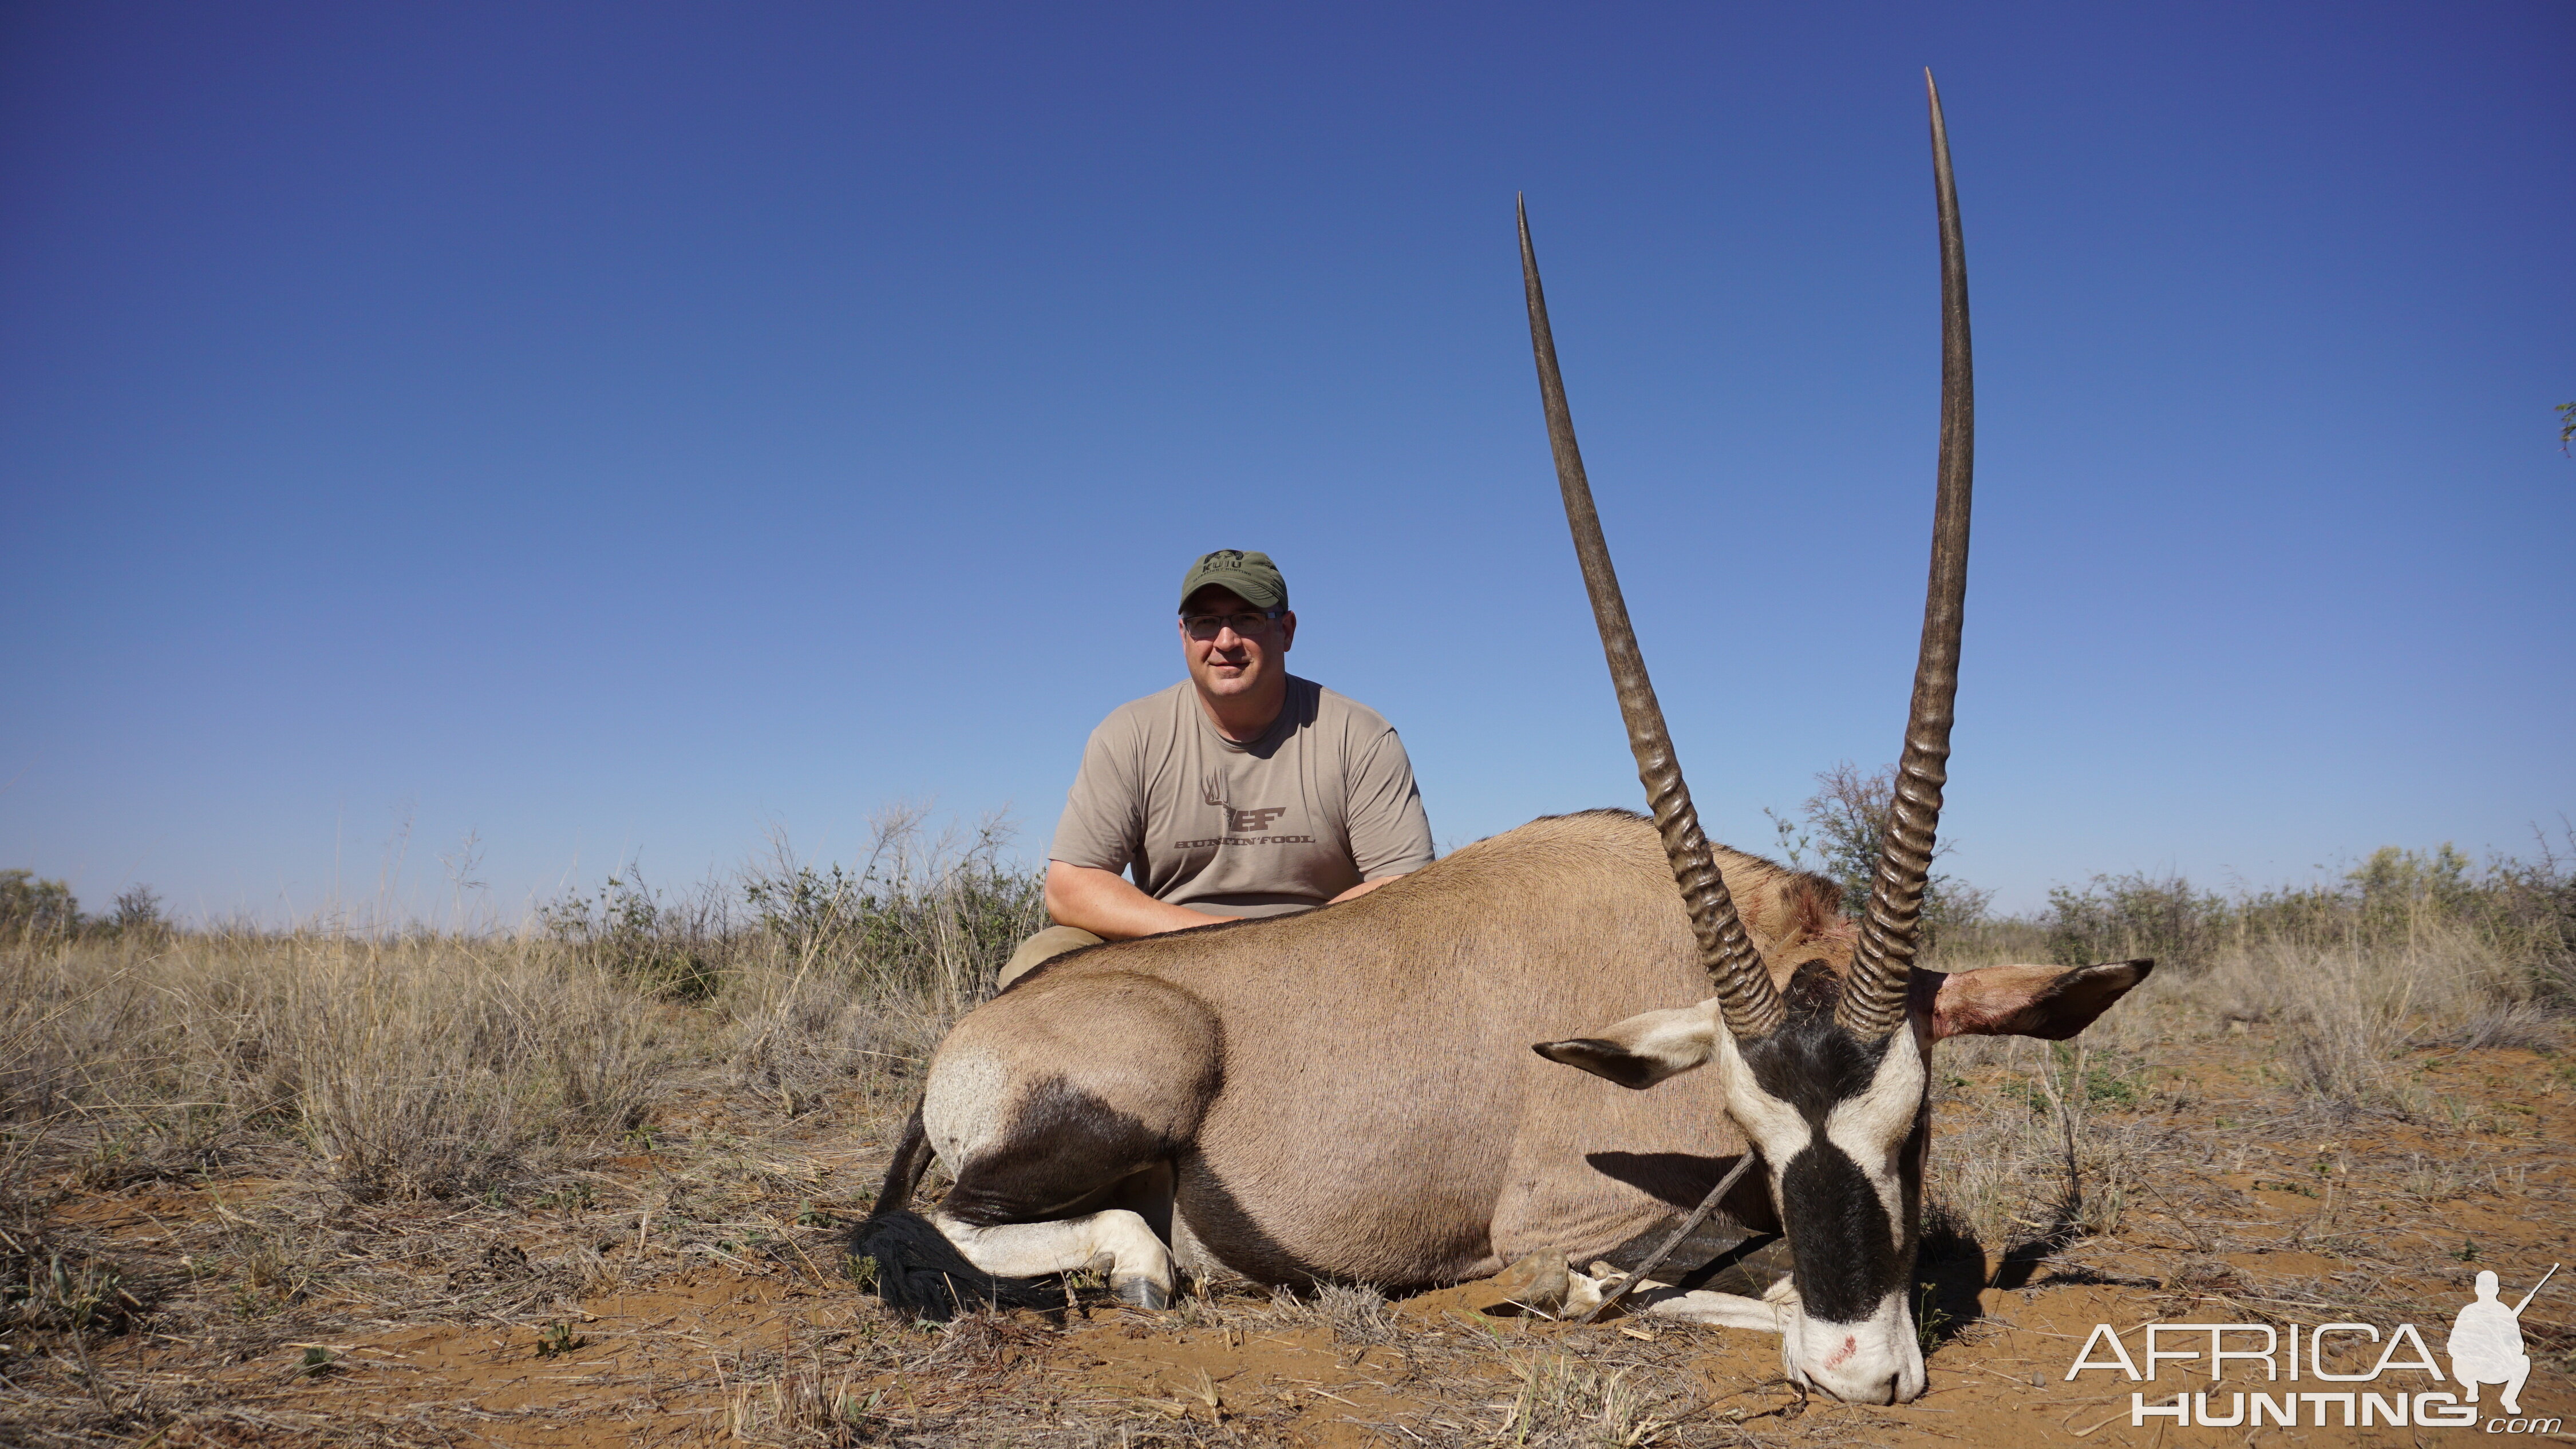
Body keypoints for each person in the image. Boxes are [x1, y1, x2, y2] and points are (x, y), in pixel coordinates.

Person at [997, 549, 1435, 988]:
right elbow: (1070, 885)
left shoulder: (1358, 734)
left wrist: (1286, 944)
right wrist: (1216, 937)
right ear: (1183, 634)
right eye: (1206, 622)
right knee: (1039, 960)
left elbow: (1406, 885)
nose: (1225, 641)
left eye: (1247, 618)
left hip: (1319, 960)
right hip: (1169, 955)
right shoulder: (1129, 734)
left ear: (1286, 630)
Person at [2447, 1268, 2537, 1415]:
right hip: (2471, 1367)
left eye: (2490, 1287)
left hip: (2496, 1368)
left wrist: (2501, 1350)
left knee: (2524, 1362)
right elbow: (2454, 1344)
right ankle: (2472, 1387)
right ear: (2477, 1289)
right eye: (2483, 1287)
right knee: (2458, 1361)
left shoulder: (2505, 1312)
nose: (2486, 1291)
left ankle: (2509, 1399)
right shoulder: (2468, 1312)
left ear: (2497, 1289)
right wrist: (2472, 1352)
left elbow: (2518, 1346)